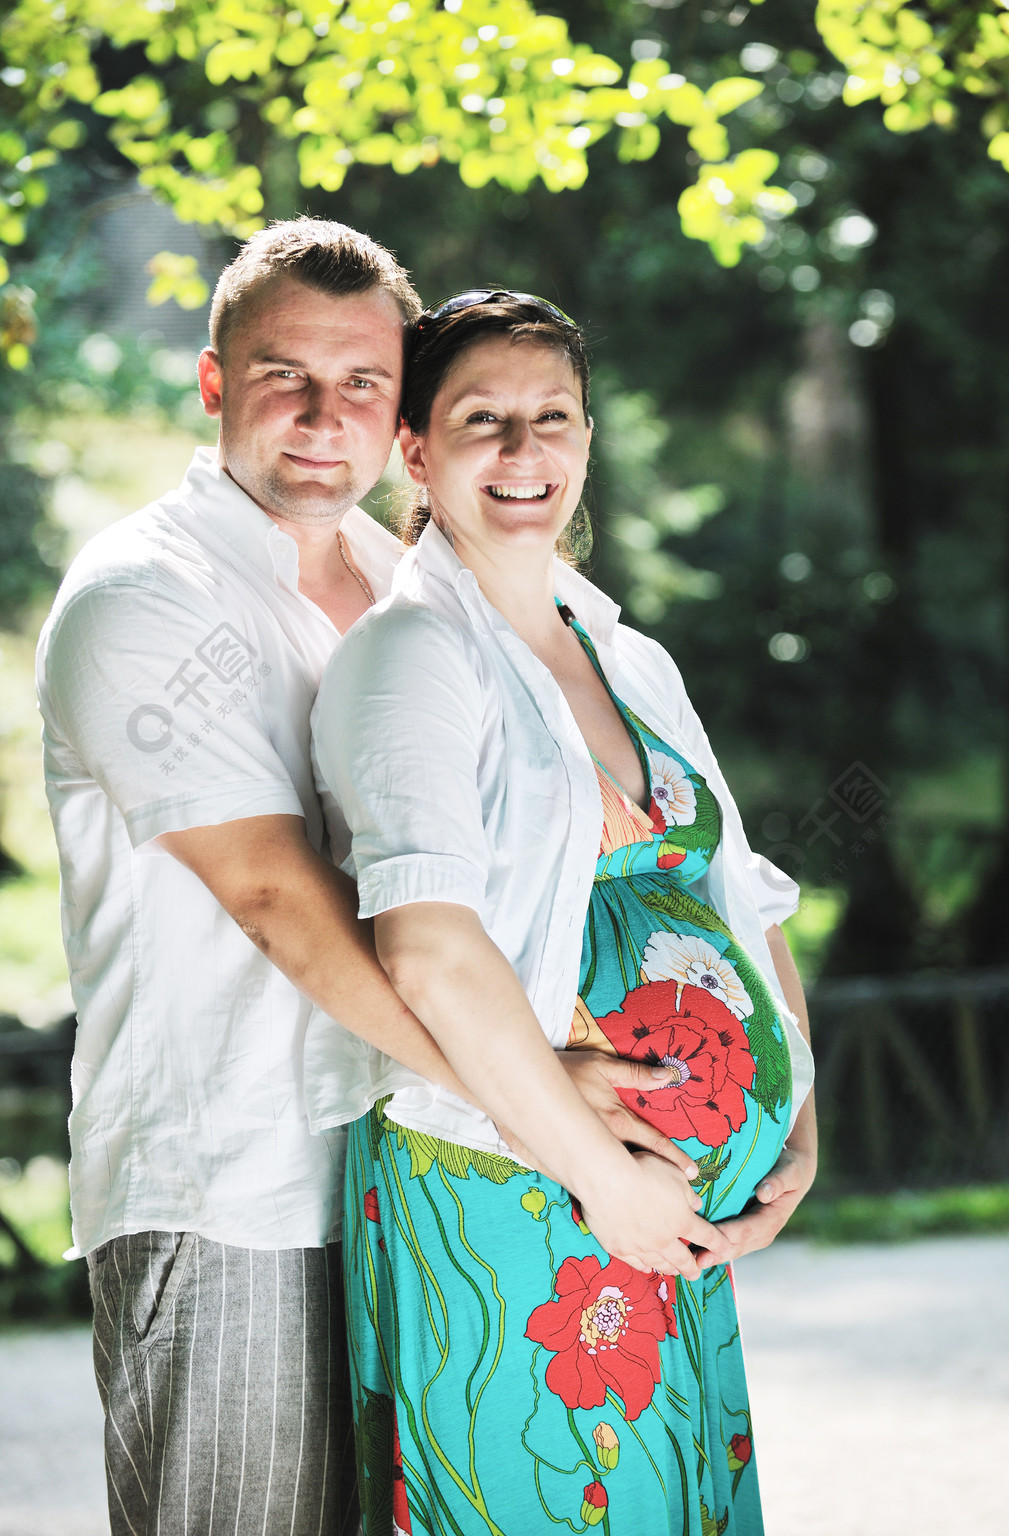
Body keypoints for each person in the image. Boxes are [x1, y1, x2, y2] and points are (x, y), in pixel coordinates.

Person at [36, 222, 699, 1536]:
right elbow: (277, 900)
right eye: (285, 375)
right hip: (239, 1186)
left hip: (424, 1183)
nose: (323, 416)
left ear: (401, 414)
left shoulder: (419, 595)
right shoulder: (144, 595)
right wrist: (534, 1102)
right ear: (217, 382)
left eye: (364, 384)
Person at [311, 290, 817, 1534]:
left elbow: (738, 896)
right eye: (483, 420)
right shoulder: (411, 657)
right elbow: (428, 950)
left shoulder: (627, 656)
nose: (524, 453)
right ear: (416, 451)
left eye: (554, 419)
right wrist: (604, 1177)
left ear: (588, 441)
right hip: (516, 1186)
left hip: (661, 1215)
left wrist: (794, 1128)